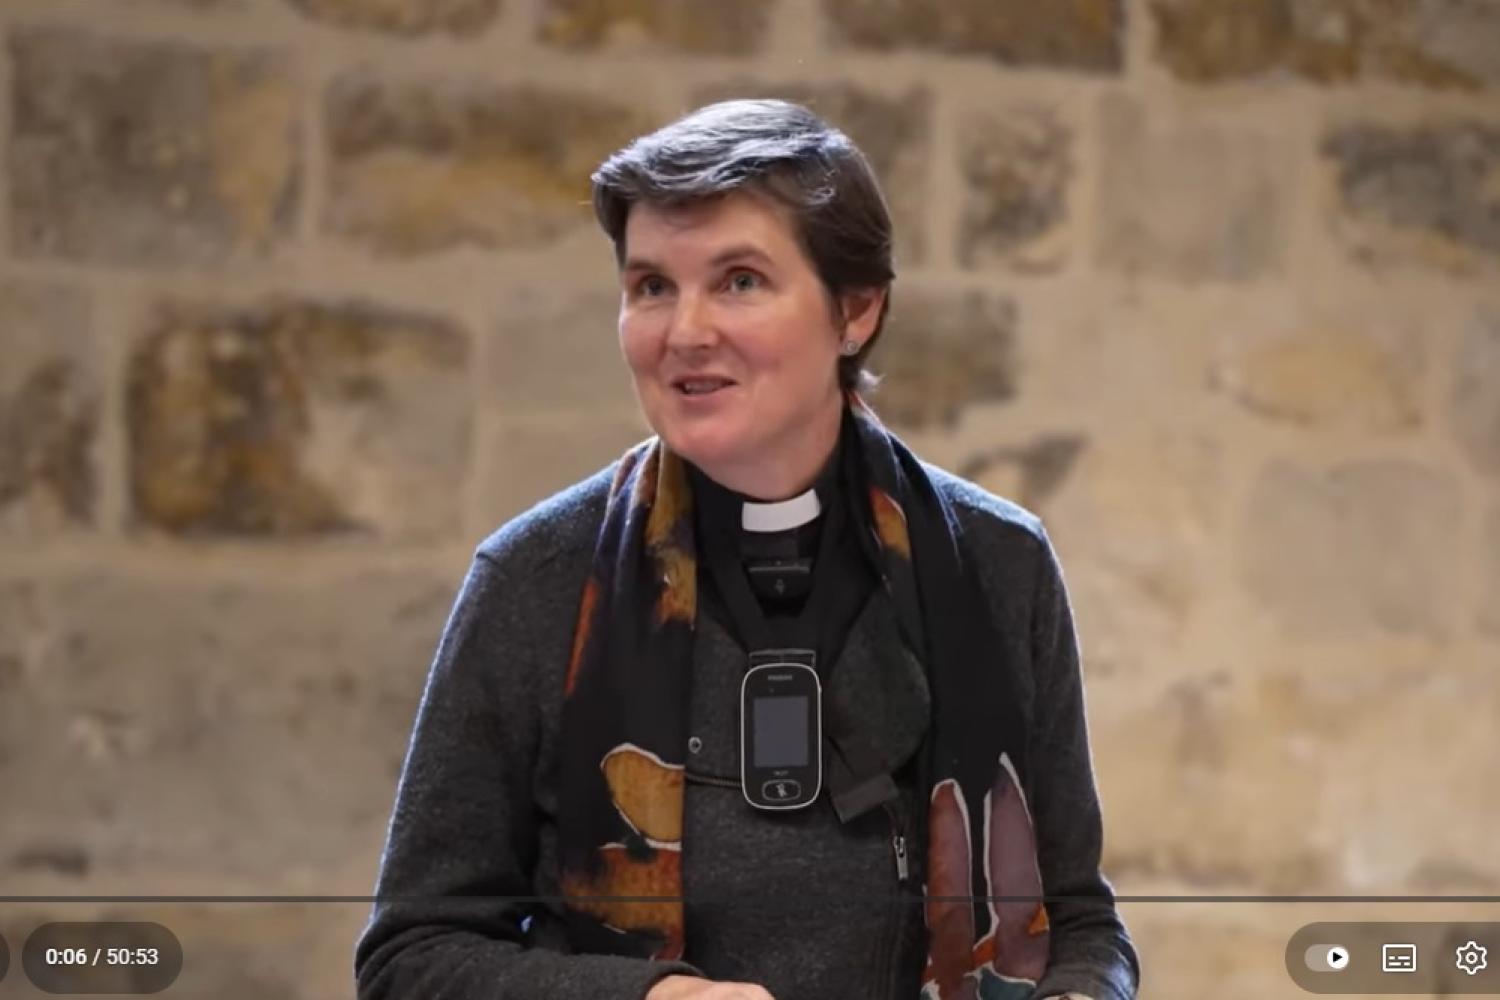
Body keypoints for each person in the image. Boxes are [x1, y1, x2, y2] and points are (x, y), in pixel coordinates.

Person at [354, 98, 1140, 1000]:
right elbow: (410, 960)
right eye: (652, 285)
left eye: (738, 281)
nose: (685, 332)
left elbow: (1076, 921)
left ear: (857, 308)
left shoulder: (1000, 565)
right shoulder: (535, 582)